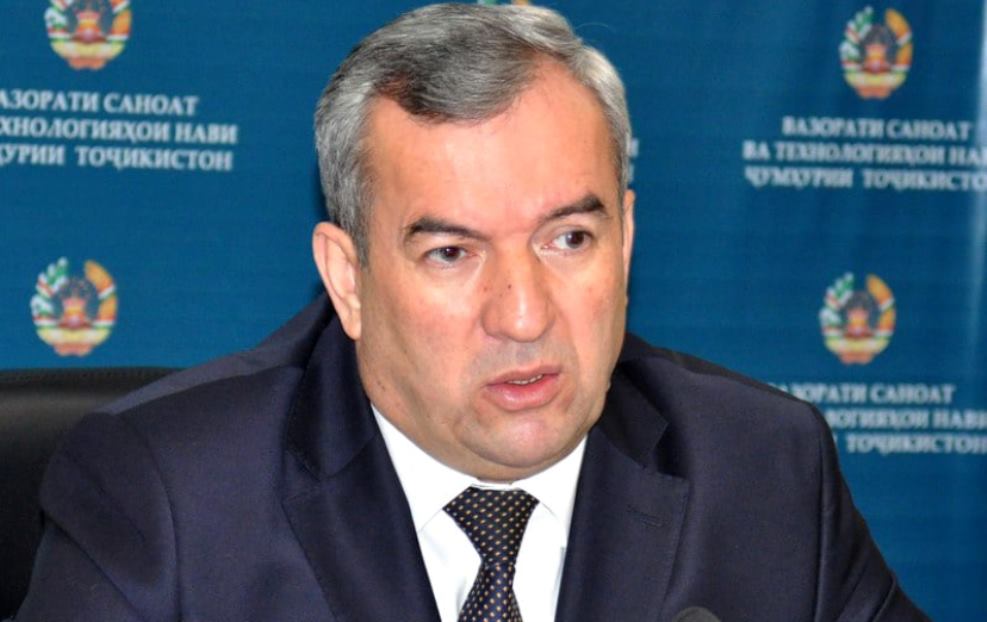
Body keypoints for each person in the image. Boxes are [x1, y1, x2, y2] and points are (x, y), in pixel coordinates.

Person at [16, 4, 928, 621]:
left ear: (626, 243)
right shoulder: (170, 499)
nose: (523, 316)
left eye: (568, 239)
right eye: (452, 253)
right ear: (348, 280)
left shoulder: (764, 472)